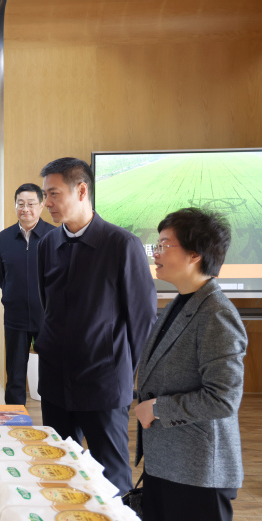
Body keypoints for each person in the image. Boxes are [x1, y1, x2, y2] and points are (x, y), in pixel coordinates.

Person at [35, 157, 156, 495]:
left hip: (103, 383)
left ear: (81, 190)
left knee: (112, 475)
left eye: (54, 194)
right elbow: (48, 307)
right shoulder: (47, 245)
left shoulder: (122, 245)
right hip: (55, 381)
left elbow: (142, 319)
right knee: (59, 467)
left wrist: (122, 369)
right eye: (45, 195)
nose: (47, 203)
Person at [135, 208, 245, 521]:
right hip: (169, 463)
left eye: (164, 245)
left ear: (195, 254)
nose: (155, 253)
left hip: (198, 473)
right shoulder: (181, 302)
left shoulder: (216, 315)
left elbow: (223, 398)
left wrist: (158, 408)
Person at [0, 183, 55, 405]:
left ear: (41, 206)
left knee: (51, 374)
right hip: (15, 317)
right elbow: (1, 276)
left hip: (48, 317)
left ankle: (52, 420)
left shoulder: (55, 235)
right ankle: (14, 420)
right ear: (15, 206)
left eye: (31, 204)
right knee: (15, 375)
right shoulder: (3, 238)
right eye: (20, 204)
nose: (25, 209)